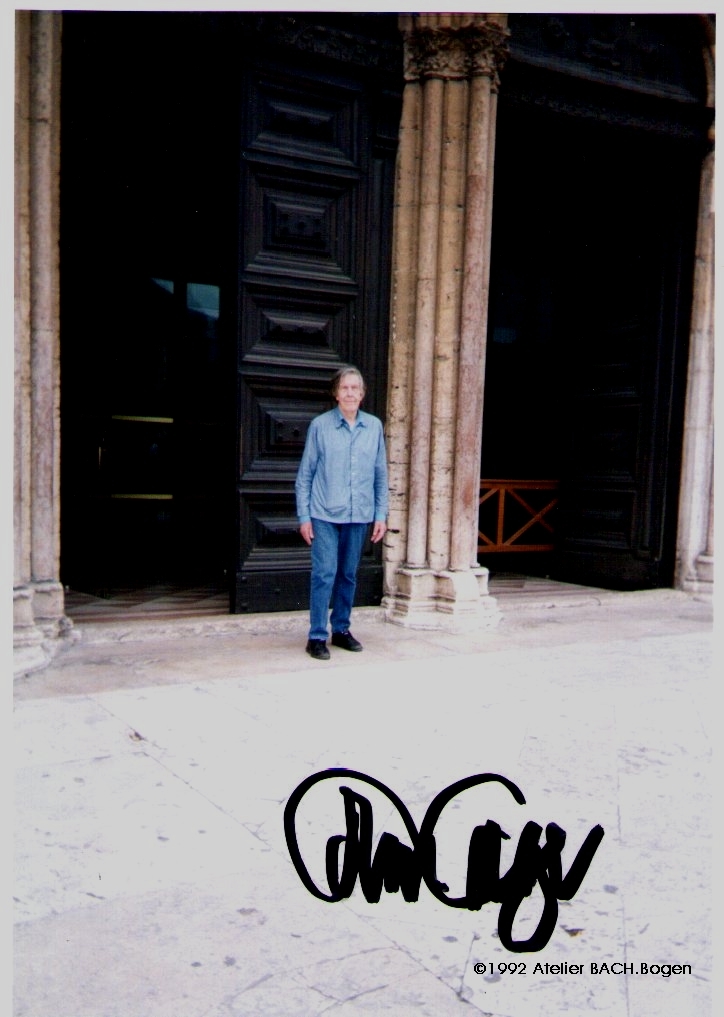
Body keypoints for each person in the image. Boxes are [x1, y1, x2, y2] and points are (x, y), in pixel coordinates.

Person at [295, 366, 388, 660]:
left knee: (348, 574)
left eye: (354, 388)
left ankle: (341, 629)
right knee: (325, 574)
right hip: (324, 514)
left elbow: (380, 474)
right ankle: (316, 636)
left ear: (362, 394)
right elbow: (305, 475)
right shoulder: (320, 426)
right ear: (336, 394)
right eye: (344, 388)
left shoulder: (373, 427)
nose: (349, 393)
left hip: (359, 514)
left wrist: (381, 514)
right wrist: (304, 517)